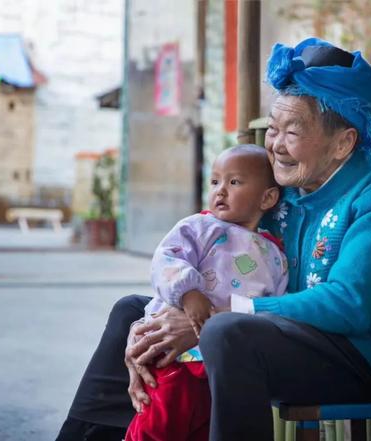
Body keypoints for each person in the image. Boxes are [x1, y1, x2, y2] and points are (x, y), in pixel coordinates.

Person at [56, 37, 371, 441]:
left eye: (292, 132)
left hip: (357, 360)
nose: (276, 146)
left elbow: (349, 305)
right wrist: (155, 322)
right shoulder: (281, 188)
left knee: (225, 332)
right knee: (132, 312)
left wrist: (210, 317)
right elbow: (209, 238)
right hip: (271, 334)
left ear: (343, 143)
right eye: (273, 128)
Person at [123, 144, 288, 441]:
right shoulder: (199, 226)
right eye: (215, 182)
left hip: (222, 370)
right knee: (158, 427)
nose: (220, 191)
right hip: (174, 358)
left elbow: (271, 304)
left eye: (234, 182)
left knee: (205, 428)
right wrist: (189, 293)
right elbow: (166, 259)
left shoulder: (275, 253)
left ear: (268, 197)